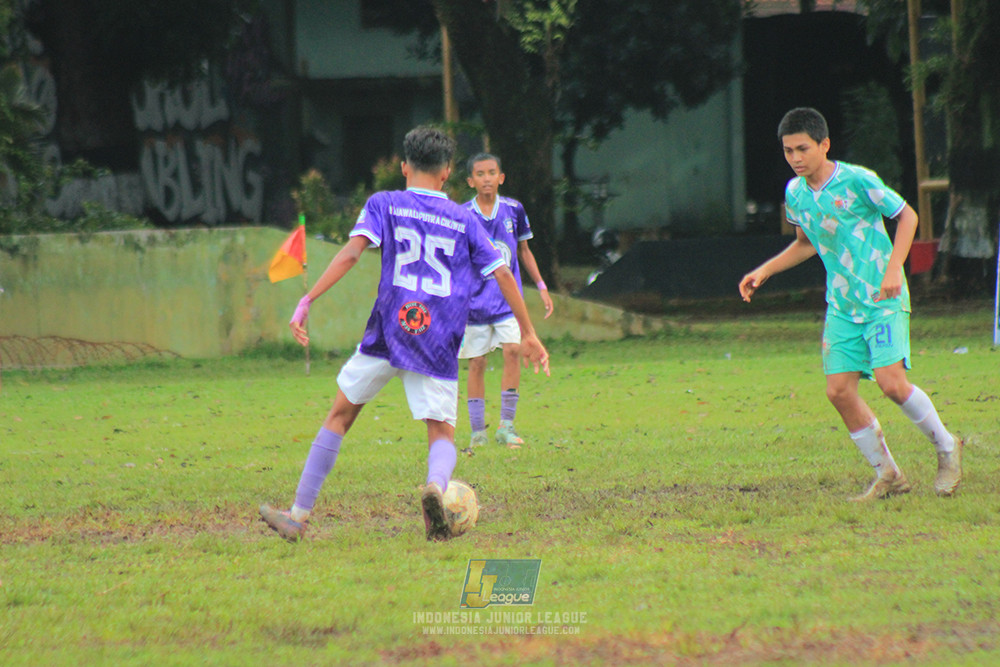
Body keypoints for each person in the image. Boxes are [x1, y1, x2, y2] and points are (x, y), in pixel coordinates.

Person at [260, 127, 550, 542]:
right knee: (442, 433)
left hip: (389, 328)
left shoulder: (385, 204)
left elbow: (351, 252)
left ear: (403, 166)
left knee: (340, 415)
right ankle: (435, 486)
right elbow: (503, 271)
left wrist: (309, 299)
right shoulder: (464, 217)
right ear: (448, 172)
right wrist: (529, 332)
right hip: (437, 337)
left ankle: (298, 515)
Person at [738, 107, 962, 501]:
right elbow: (806, 243)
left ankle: (947, 448)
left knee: (892, 384)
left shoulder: (857, 180)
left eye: (803, 148)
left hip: (883, 298)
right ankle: (888, 473)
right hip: (842, 305)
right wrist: (765, 271)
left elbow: (907, 216)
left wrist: (895, 269)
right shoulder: (796, 193)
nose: (795, 158)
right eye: (788, 150)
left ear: (824, 144)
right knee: (839, 391)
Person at [458, 153, 554, 448]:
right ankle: (478, 432)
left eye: (491, 172)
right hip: (474, 304)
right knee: (477, 362)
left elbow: (523, 251)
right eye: (480, 173)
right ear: (470, 180)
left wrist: (540, 284)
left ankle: (506, 427)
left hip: (507, 303)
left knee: (513, 349)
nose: (486, 178)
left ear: (501, 177)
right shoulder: (462, 214)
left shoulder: (514, 210)